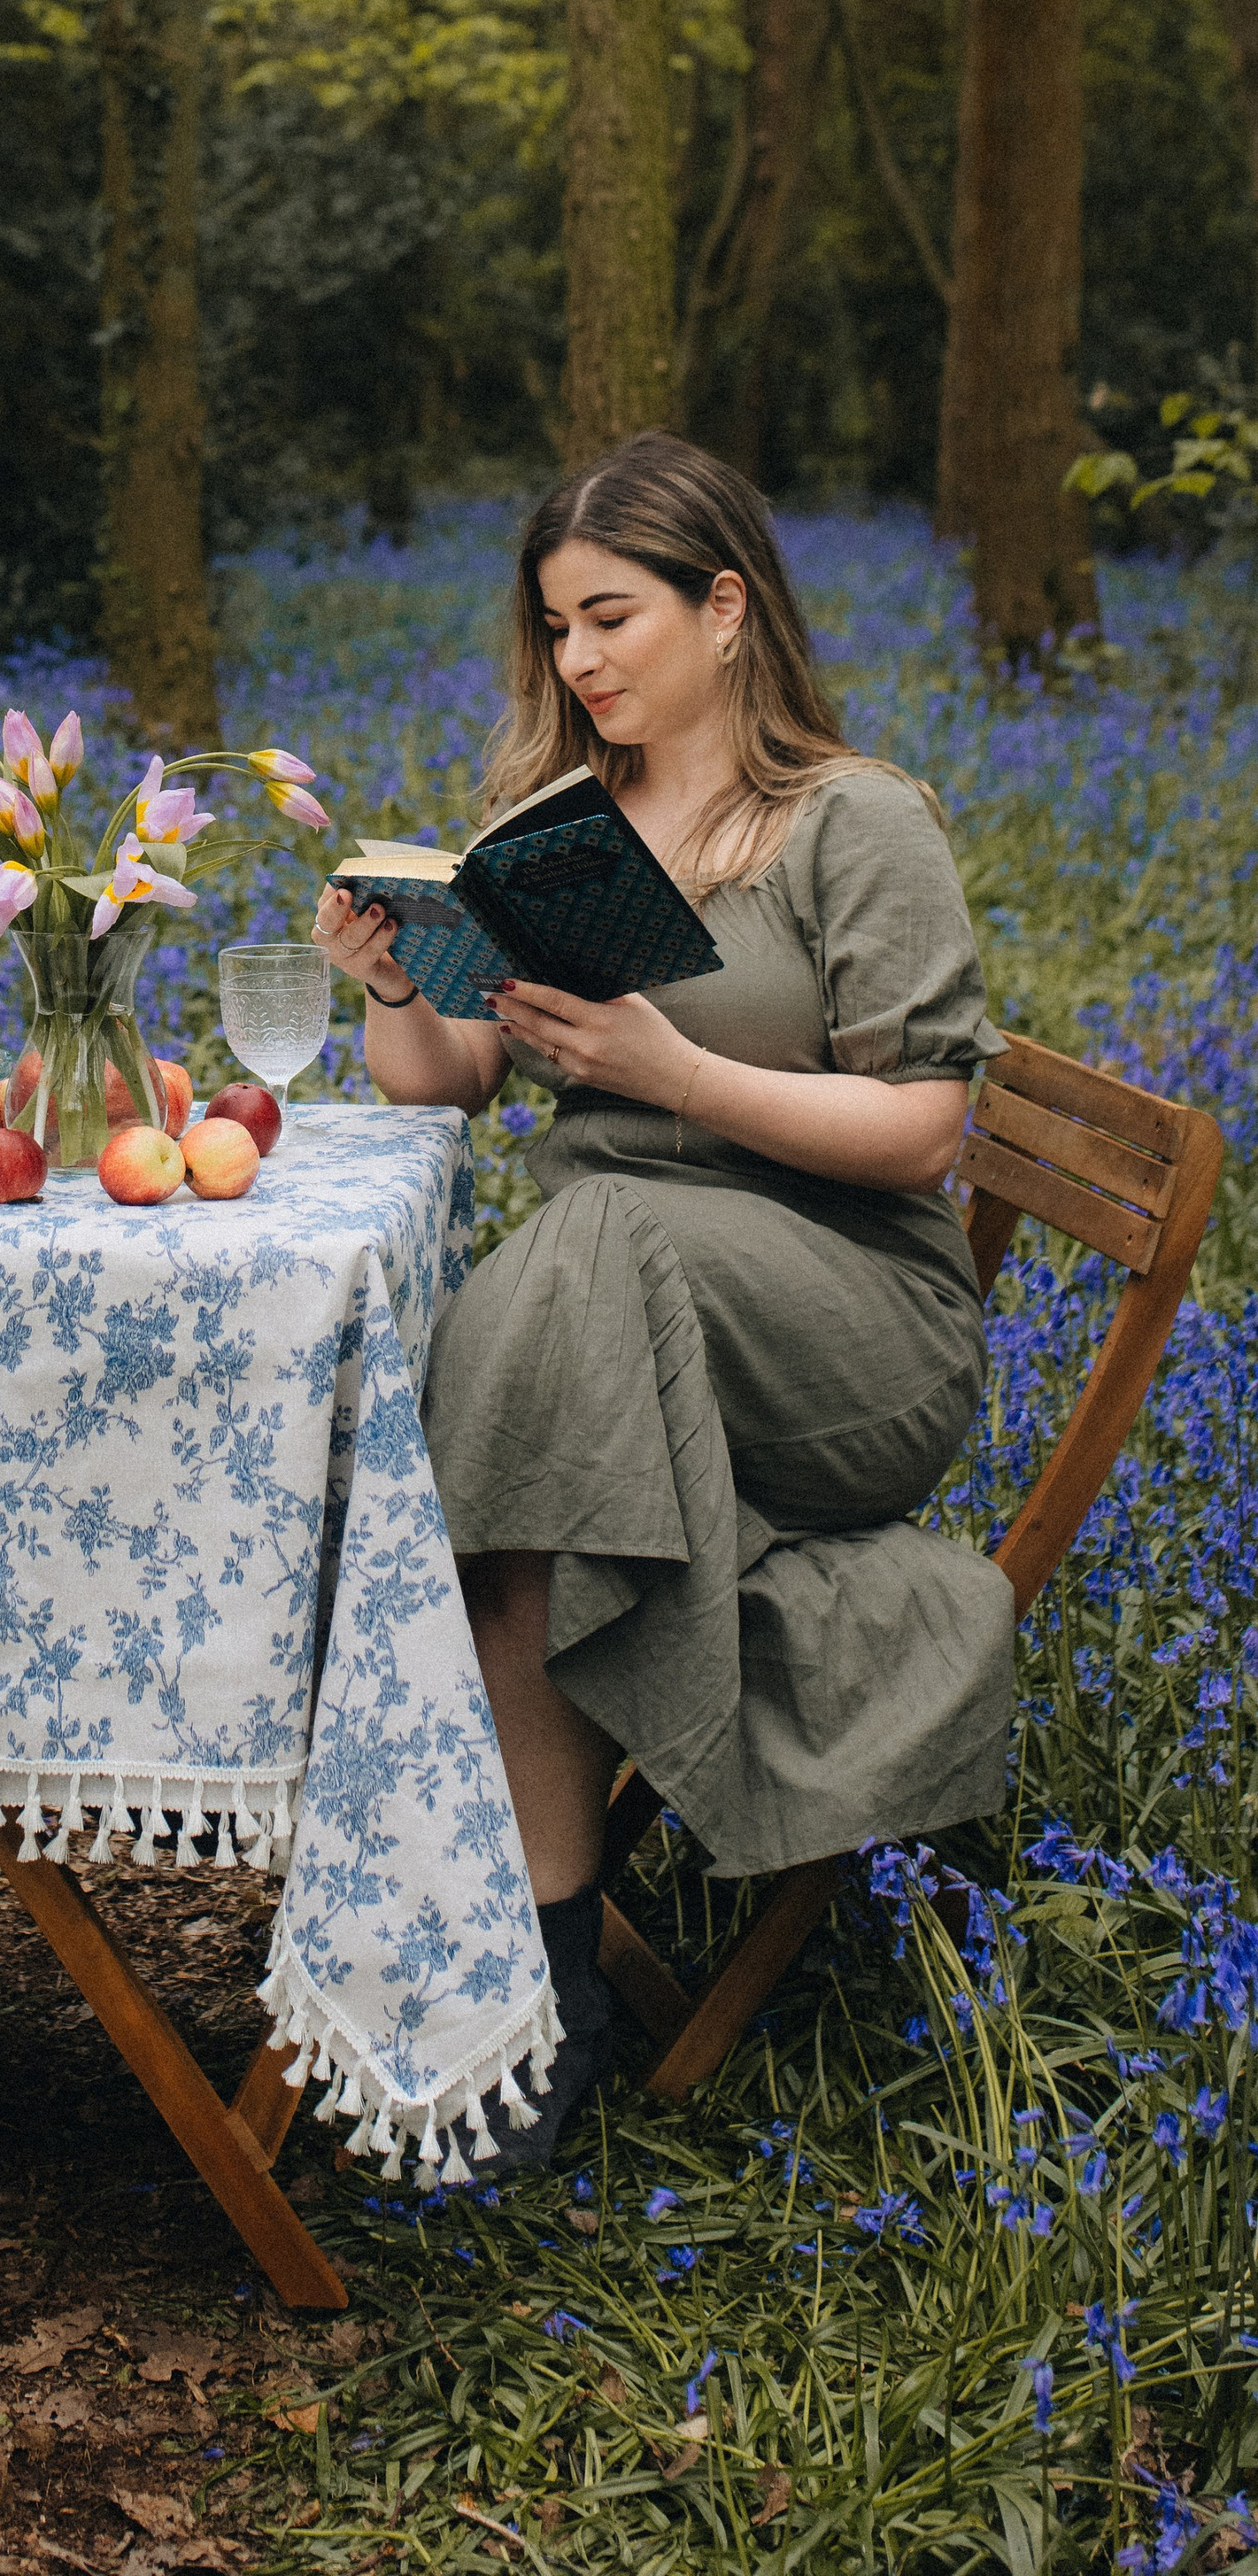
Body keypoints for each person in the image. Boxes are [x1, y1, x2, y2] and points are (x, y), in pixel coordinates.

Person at [313, 435, 1009, 2171]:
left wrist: (667, 1071)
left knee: (595, 1237)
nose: (579, 661)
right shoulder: (554, 840)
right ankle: (542, 1989)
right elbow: (447, 1084)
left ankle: (491, 1958)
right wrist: (396, 986)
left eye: (609, 616)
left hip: (841, 1336)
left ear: (723, 607)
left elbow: (924, 1133)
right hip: (615, 1322)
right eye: (553, 628)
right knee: (578, 1313)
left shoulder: (855, 822)